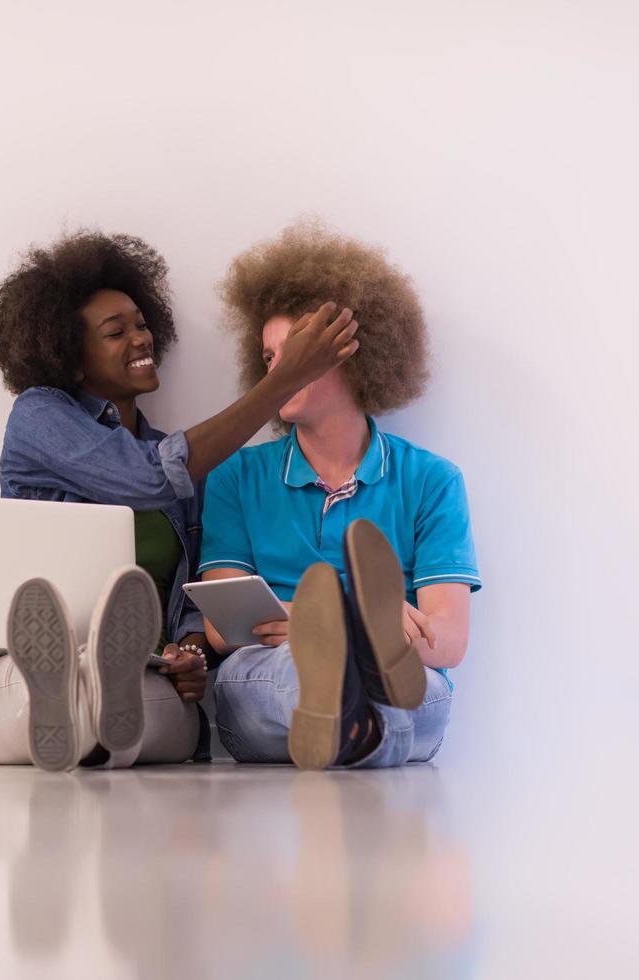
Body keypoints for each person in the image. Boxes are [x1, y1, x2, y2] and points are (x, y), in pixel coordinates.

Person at [0, 230, 360, 771]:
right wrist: (284, 378)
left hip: (144, 674)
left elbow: (192, 600)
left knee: (173, 715)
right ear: (71, 356)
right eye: (115, 331)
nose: (141, 338)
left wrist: (191, 653)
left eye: (142, 324)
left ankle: (96, 701)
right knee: (53, 688)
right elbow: (148, 478)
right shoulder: (40, 416)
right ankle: (76, 689)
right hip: (15, 675)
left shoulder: (181, 465)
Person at [200, 220, 481, 770]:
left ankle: (350, 707)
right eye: (270, 358)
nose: (278, 372)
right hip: (270, 677)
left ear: (354, 353)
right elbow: (225, 628)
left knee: (417, 691)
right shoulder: (236, 477)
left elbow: (446, 643)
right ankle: (355, 687)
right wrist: (336, 621)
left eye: (297, 353)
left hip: (404, 680)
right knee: (286, 672)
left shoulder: (431, 481)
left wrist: (309, 617)